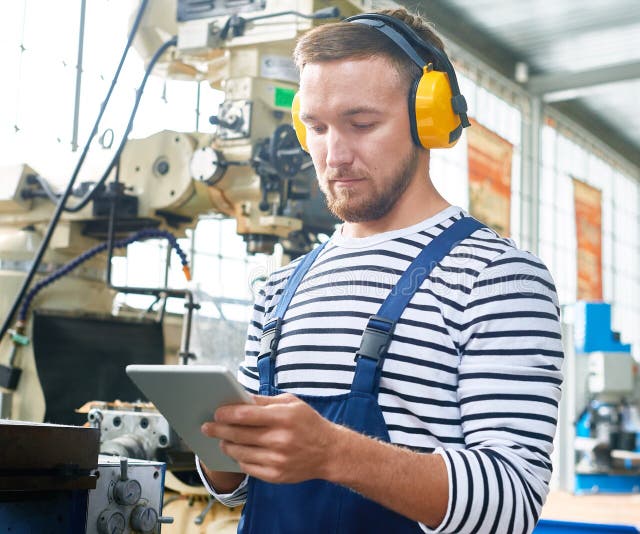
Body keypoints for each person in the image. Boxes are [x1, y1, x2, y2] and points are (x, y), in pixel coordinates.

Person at [198, 8, 563, 533]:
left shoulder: (498, 277)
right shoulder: (279, 289)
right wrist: (220, 450)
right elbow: (240, 489)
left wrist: (334, 453)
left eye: (362, 124)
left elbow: (512, 503)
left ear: (427, 119)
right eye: (317, 127)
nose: (334, 155)